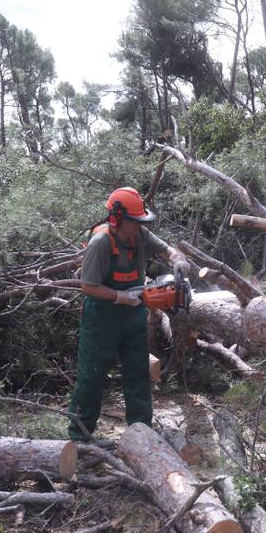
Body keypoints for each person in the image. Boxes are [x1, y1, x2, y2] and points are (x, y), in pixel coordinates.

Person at [67, 187, 189, 440]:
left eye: (140, 221)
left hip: (133, 316)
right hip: (102, 316)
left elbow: (167, 249)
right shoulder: (100, 243)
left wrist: (178, 260)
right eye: (134, 221)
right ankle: (79, 438)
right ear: (117, 218)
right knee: (92, 378)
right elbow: (88, 286)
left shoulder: (141, 234)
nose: (138, 226)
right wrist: (120, 296)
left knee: (138, 374)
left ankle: (141, 432)